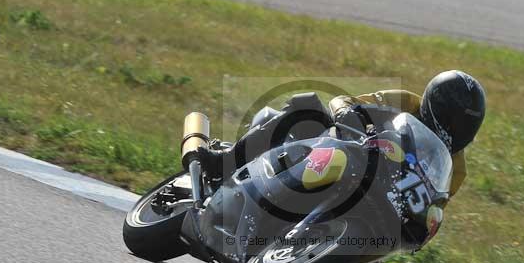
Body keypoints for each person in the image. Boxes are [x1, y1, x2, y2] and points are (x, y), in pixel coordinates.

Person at [199, 70, 486, 204]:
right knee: (307, 105)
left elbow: (432, 207)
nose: (458, 131)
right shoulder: (403, 101)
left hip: (377, 193)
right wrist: (352, 117)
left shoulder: (456, 169)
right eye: (453, 120)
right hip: (342, 147)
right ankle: (225, 160)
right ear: (435, 105)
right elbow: (343, 101)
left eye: (466, 126)